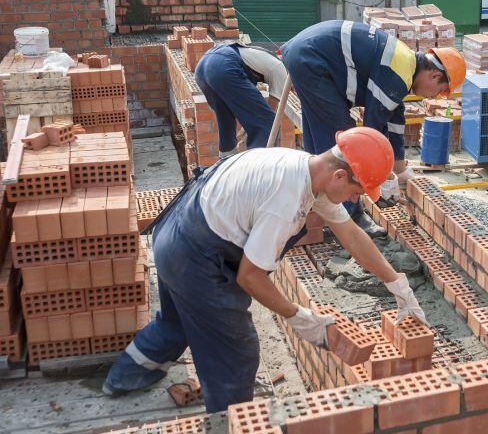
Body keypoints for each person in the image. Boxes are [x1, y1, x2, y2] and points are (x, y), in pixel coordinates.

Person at [102, 127, 427, 413]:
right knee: (236, 352)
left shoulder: (309, 170)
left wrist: (396, 283)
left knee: (177, 323)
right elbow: (249, 276)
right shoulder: (285, 201)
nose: (355, 199)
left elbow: (352, 236)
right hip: (194, 259)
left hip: (177, 232)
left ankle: (123, 378)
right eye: (357, 192)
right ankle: (232, 421)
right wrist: (300, 317)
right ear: (340, 176)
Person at [280, 20, 466, 236]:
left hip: (307, 54)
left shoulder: (404, 68)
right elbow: (371, 130)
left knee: (320, 136)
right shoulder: (398, 74)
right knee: (343, 139)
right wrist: (382, 178)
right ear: (434, 75)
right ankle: (351, 217)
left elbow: (394, 123)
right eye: (439, 90)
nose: (433, 96)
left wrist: (400, 170)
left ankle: (314, 203)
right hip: (312, 59)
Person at [194, 43, 287, 157]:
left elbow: (251, 113)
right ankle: (256, 167)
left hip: (204, 65)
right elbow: (268, 113)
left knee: (225, 118)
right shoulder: (281, 70)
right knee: (269, 122)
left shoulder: (266, 58)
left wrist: (244, 132)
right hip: (225, 66)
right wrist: (246, 141)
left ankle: (226, 161)